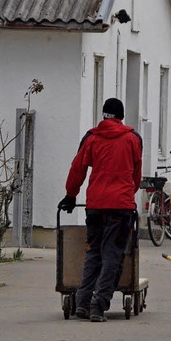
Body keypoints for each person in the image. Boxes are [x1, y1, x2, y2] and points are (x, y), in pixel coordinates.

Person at [58, 98, 142, 322]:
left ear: (103, 115)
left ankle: (83, 302)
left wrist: (70, 195)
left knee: (94, 251)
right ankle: (99, 304)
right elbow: (136, 175)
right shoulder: (133, 139)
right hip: (121, 206)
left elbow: (78, 168)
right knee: (113, 255)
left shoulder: (91, 138)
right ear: (121, 116)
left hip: (95, 205)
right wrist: (127, 194)